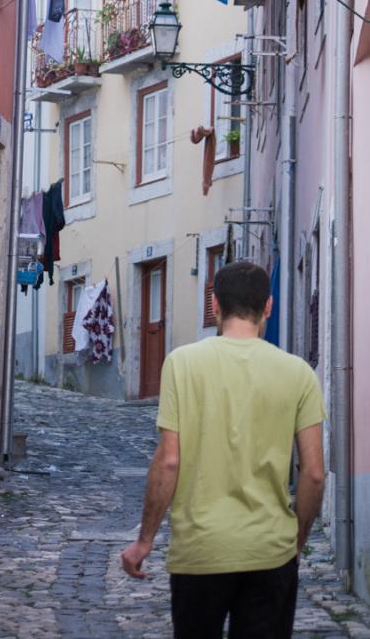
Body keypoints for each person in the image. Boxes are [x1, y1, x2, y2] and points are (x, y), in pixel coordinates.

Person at [121, 261, 326, 639]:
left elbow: (169, 460)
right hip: (270, 551)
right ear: (268, 307)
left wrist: (145, 539)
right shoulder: (299, 373)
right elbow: (313, 473)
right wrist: (296, 541)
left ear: (214, 305)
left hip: (200, 552)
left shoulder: (182, 364)